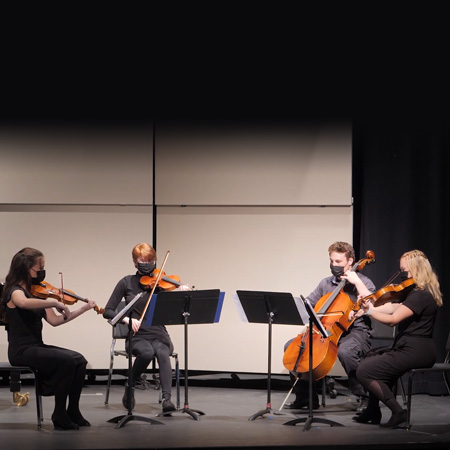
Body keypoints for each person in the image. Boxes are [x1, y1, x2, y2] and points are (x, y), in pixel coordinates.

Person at [0, 247, 97, 430]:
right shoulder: (14, 291)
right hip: (21, 351)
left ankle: (73, 411)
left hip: (36, 346)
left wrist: (83, 309)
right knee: (66, 360)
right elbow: (22, 303)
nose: (42, 273)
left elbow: (55, 320)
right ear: (26, 269)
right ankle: (59, 414)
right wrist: (53, 301)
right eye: (40, 268)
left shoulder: (37, 292)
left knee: (79, 360)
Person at [354, 249, 443, 428]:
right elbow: (394, 307)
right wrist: (368, 308)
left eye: (406, 271)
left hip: (416, 351)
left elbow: (394, 320)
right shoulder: (417, 292)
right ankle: (373, 410)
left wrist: (370, 311)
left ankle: (398, 412)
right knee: (371, 355)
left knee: (364, 371)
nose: (404, 275)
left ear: (416, 269)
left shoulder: (420, 295)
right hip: (410, 347)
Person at [284, 241, 376, 411]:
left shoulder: (363, 282)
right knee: (292, 346)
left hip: (356, 331)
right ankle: (306, 398)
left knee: (346, 352)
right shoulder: (325, 283)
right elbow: (309, 306)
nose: (334, 265)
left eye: (338, 262)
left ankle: (364, 396)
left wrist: (356, 282)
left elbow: (373, 303)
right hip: (326, 330)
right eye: (332, 261)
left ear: (350, 261)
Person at [103, 243, 190, 413]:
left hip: (158, 333)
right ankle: (131, 382)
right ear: (135, 262)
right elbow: (108, 311)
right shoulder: (126, 282)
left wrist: (181, 292)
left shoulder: (161, 283)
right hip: (136, 335)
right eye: (142, 260)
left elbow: (174, 309)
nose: (147, 263)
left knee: (163, 352)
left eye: (150, 260)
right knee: (147, 353)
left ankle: (167, 400)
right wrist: (127, 319)